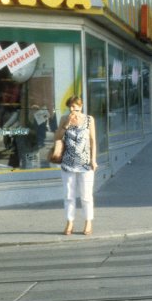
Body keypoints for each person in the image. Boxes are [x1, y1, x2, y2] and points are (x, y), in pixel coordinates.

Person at [55, 95, 97, 236]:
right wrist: (66, 125)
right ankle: (69, 222)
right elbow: (57, 138)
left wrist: (93, 160)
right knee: (68, 195)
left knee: (86, 196)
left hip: (85, 164)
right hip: (68, 163)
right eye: (71, 106)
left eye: (76, 106)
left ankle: (88, 222)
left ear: (81, 105)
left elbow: (92, 141)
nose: (74, 109)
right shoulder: (64, 119)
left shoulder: (89, 120)